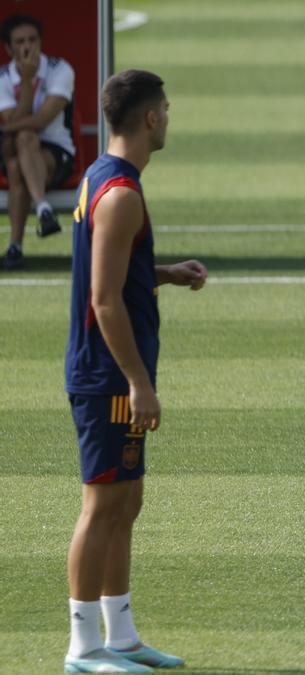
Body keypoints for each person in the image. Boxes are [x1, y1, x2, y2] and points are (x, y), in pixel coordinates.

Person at [63, 69, 206, 672]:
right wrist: (139, 384)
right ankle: (82, 647)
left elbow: (117, 272)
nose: (169, 118)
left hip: (114, 374)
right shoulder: (121, 194)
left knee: (128, 501)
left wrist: (165, 273)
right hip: (108, 379)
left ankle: (120, 635)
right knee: (101, 505)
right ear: (149, 119)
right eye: (166, 110)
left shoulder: (104, 176)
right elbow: (103, 299)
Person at [0, 13, 75, 270]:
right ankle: (43, 209)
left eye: (32, 39)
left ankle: (15, 246)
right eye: (19, 42)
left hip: (57, 151)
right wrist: (28, 82)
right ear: (8, 48)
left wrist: (6, 128)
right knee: (22, 139)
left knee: (17, 161)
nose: (27, 46)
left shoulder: (60, 69)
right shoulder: (2, 78)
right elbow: (19, 121)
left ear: (41, 41)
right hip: (15, 148)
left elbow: (42, 120)